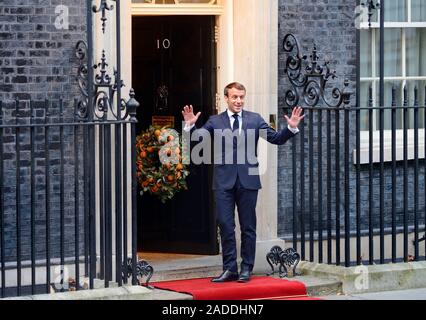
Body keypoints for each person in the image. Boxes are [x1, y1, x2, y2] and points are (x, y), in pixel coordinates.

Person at [182, 82, 304, 283]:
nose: (239, 101)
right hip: (223, 182)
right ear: (226, 98)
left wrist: (290, 128)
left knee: (248, 226)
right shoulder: (215, 121)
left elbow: (275, 138)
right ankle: (230, 268)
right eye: (235, 97)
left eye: (241, 97)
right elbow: (197, 141)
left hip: (248, 181)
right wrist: (189, 126)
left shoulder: (254, 119)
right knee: (226, 225)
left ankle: (246, 268)